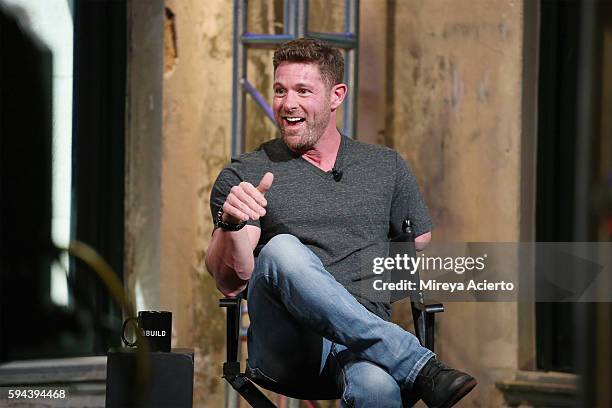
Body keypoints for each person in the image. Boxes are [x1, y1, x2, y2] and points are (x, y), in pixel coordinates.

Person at [206, 38, 476, 408]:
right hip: (290, 345)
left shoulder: (385, 166)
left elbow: (419, 239)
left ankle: (398, 357)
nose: (288, 104)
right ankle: (418, 364)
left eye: (303, 90)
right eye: (281, 91)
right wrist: (232, 224)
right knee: (282, 249)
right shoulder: (250, 172)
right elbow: (230, 278)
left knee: (379, 389)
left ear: (337, 95)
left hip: (360, 344)